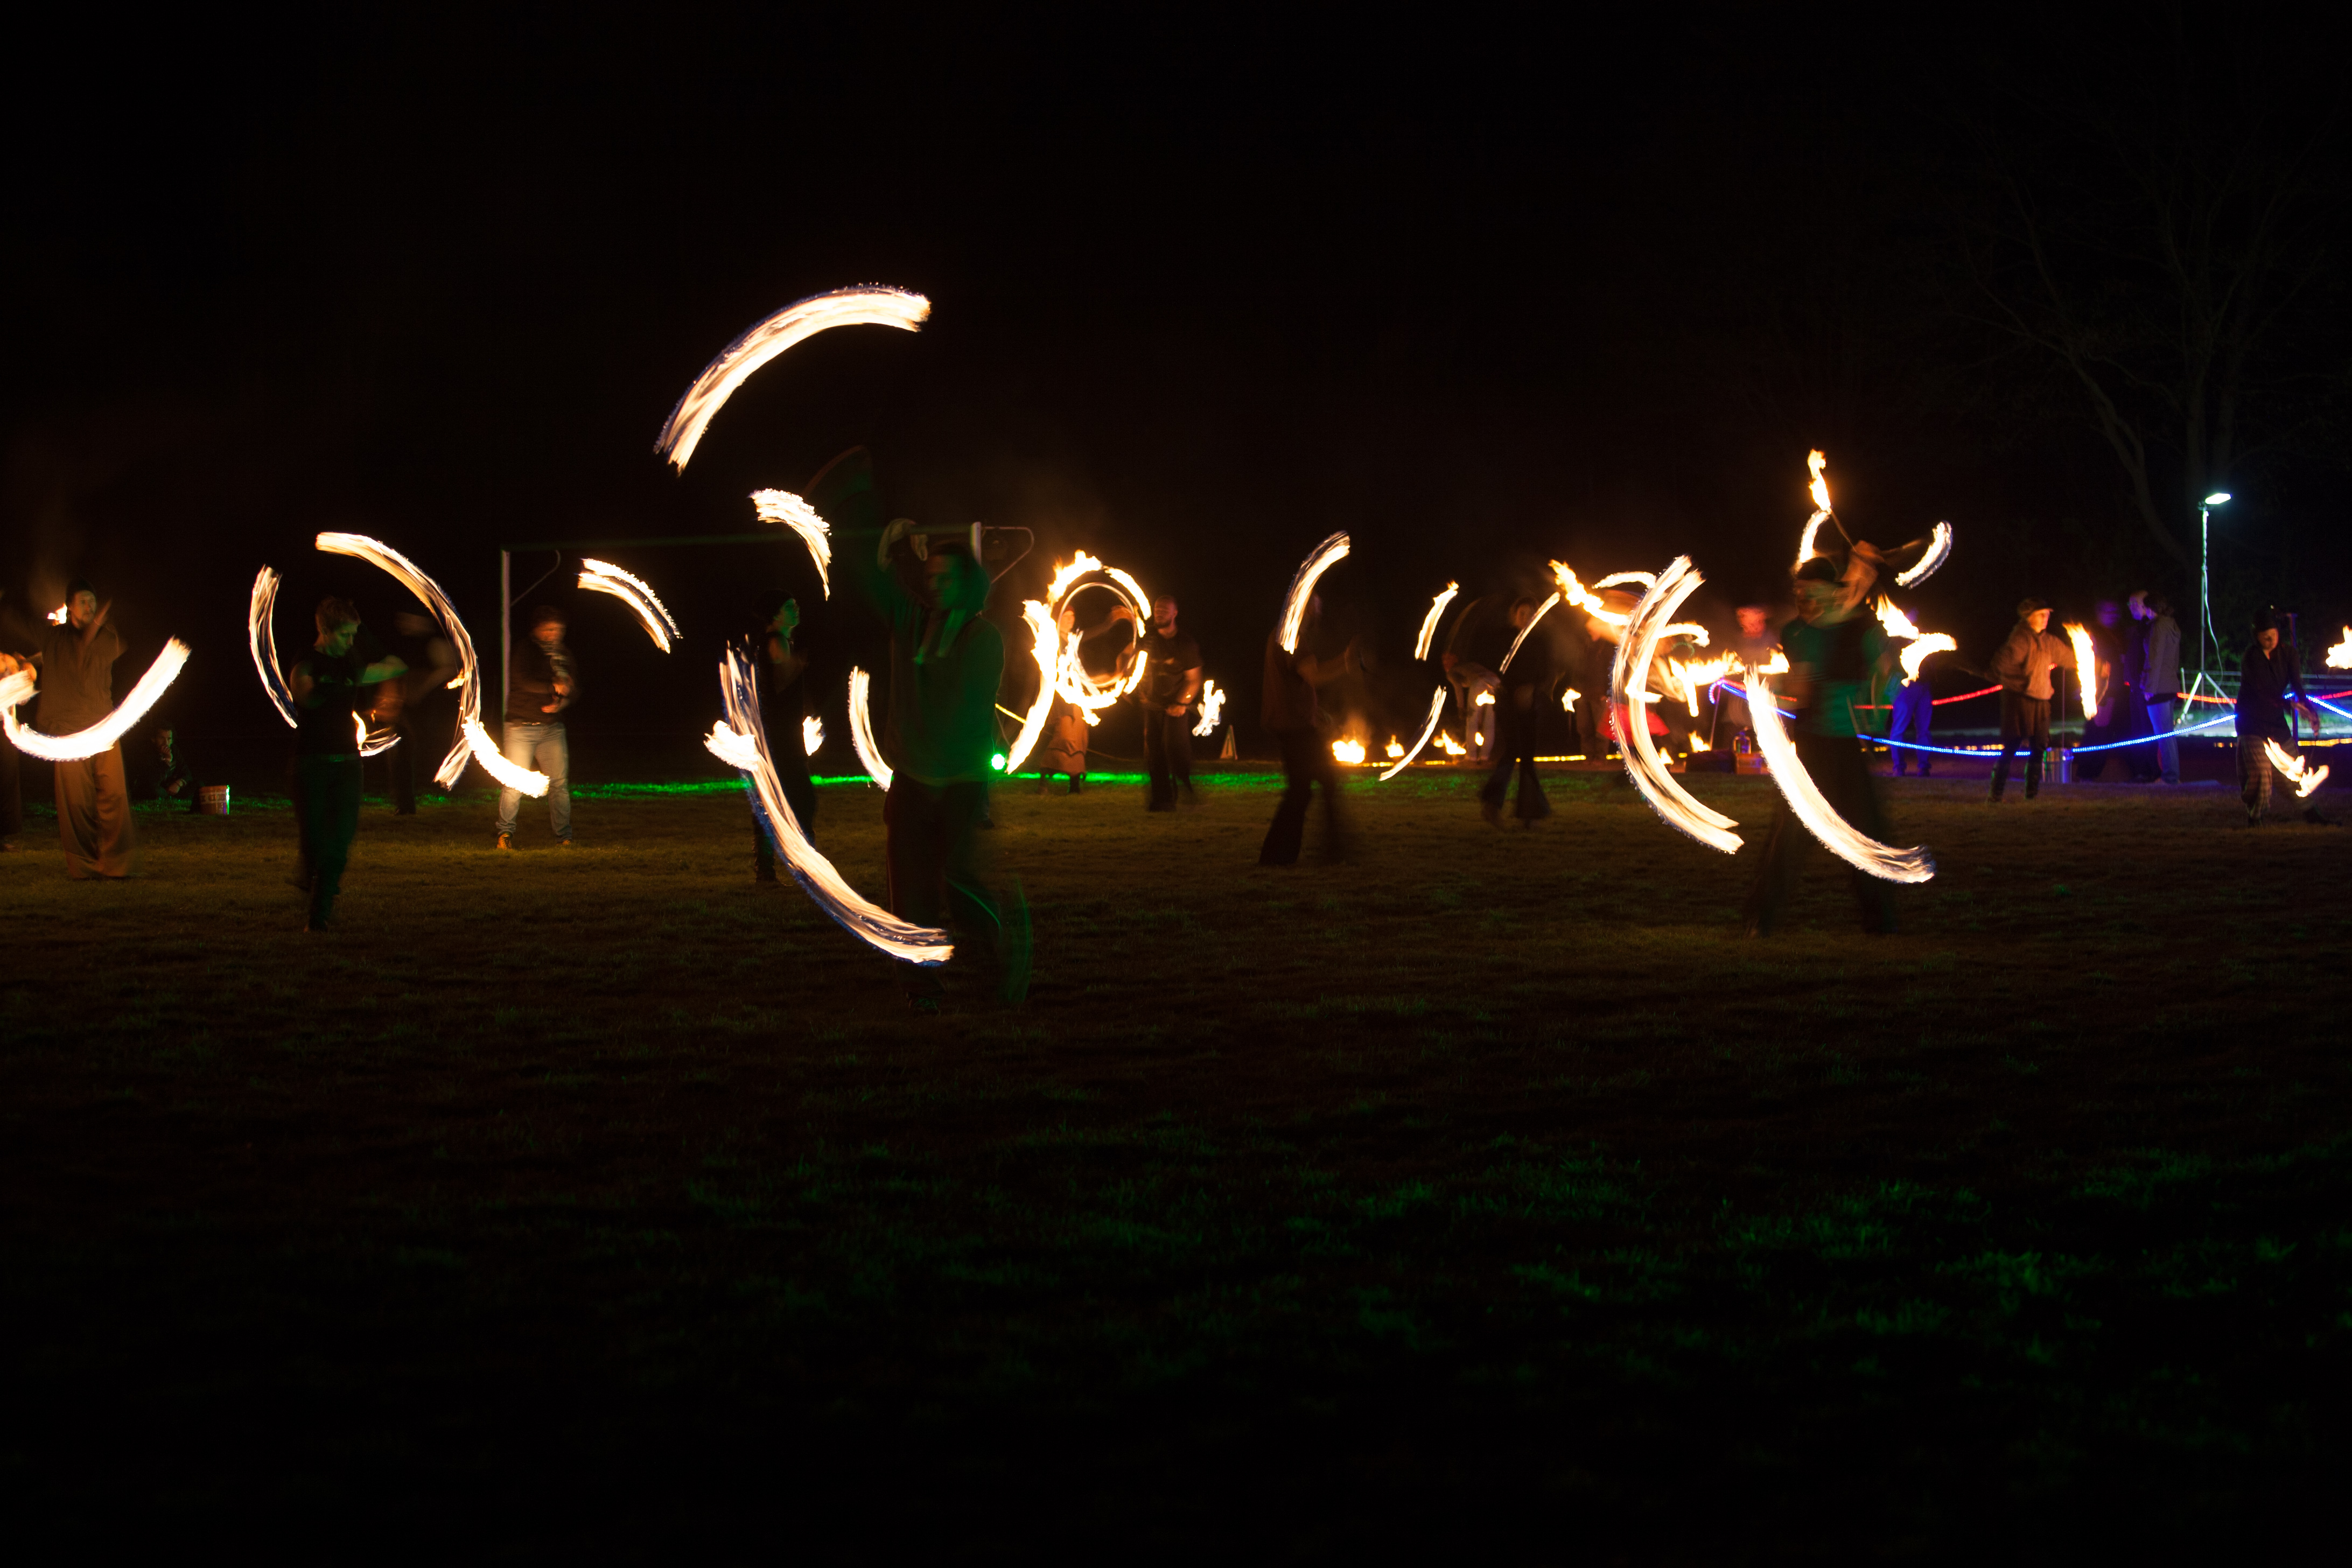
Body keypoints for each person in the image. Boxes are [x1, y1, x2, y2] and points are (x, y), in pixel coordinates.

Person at [857, 519, 1027, 1004]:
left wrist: (922, 665)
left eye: (945, 577)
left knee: (959, 882)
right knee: (911, 892)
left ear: (968, 584)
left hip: (959, 783)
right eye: (929, 576)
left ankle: (994, 967)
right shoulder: (912, 622)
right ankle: (920, 987)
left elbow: (958, 704)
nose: (935, 585)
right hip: (913, 782)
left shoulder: (983, 638)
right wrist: (893, 547)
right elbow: (875, 582)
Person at [1742, 557, 1899, 936]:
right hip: (1813, 747)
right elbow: (1802, 687)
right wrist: (1770, 689)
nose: (1803, 599)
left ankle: (1879, 920)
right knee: (1792, 835)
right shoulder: (1797, 632)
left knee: (1864, 833)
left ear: (1831, 592)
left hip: (1844, 747)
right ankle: (1762, 918)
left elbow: (1889, 670)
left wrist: (1877, 704)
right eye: (1799, 592)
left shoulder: (1862, 627)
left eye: (1811, 591)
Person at [291, 597, 407, 930]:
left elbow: (397, 665)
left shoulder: (351, 664)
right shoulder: (306, 663)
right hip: (311, 764)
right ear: (324, 631)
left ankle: (319, 915)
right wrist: (334, 682)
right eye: (345, 635)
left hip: (347, 766)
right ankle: (311, 878)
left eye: (355, 635)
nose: (350, 642)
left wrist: (364, 635)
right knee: (314, 841)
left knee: (338, 844)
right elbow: (306, 698)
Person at [32, 580, 135, 879]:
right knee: (76, 803)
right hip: (69, 732)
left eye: (92, 601)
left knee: (115, 795)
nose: (90, 607)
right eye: (83, 601)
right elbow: (43, 645)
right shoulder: (54, 638)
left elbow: (98, 646)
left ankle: (119, 864)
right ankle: (83, 866)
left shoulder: (106, 637)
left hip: (104, 728)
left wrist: (94, 628)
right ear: (69, 607)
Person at [1258, 593, 1357, 866]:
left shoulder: (1282, 635)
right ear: (1305, 608)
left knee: (1307, 788)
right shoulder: (1291, 638)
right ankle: (1318, 852)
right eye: (1316, 606)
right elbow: (1315, 675)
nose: (1320, 612)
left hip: (1294, 724)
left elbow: (1295, 682)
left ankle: (1285, 855)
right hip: (1295, 728)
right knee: (1312, 787)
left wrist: (1315, 710)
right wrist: (1346, 661)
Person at [2236, 611, 2337, 828]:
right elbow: (2261, 690)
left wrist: (2310, 711)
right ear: (2257, 636)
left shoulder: (2289, 654)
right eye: (2265, 635)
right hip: (2252, 721)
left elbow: (2298, 686)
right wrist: (2288, 705)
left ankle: (2311, 813)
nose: (2269, 638)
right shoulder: (2251, 657)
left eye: (2273, 634)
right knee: (2261, 772)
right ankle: (2255, 817)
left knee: (2295, 769)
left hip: (2275, 722)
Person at [495, 606, 576, 850]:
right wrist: (553, 686)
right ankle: (505, 834)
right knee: (514, 783)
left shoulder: (563, 654)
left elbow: (573, 688)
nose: (554, 634)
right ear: (537, 629)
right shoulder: (526, 650)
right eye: (549, 629)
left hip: (552, 729)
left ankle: (564, 838)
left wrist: (564, 701)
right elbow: (523, 681)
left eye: (558, 630)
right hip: (521, 727)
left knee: (559, 784)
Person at [754, 594, 818, 883]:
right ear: (776, 615)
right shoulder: (777, 642)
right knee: (801, 800)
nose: (797, 609)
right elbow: (782, 679)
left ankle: (769, 870)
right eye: (790, 607)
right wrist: (799, 662)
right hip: (780, 738)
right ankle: (803, 866)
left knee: (780, 801)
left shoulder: (780, 641)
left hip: (782, 735)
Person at [1989, 598, 2076, 803]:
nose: (2046, 618)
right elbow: (2002, 664)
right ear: (2029, 618)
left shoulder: (2048, 641)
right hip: (2019, 701)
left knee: (2039, 748)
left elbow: (2069, 658)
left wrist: (2097, 666)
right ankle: (1996, 795)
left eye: (2048, 614)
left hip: (2042, 702)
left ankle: (2031, 796)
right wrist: (2021, 682)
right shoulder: (2021, 639)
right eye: (2041, 614)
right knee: (2011, 746)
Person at [375, 611, 459, 815]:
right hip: (405, 707)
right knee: (400, 754)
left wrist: (421, 689)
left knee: (410, 752)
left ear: (422, 621)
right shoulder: (402, 644)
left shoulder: (433, 644)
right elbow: (393, 672)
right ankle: (404, 803)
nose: (403, 623)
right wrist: (388, 699)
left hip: (425, 708)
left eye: (409, 619)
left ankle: (410, 800)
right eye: (402, 619)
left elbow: (448, 670)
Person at [1480, 597, 1554, 827]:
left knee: (1528, 758)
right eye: (1522, 613)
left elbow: (1547, 672)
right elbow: (1494, 668)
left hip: (1530, 705)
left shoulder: (1540, 641)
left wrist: (1532, 689)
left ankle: (1528, 812)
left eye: (1530, 614)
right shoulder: (1505, 639)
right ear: (1514, 616)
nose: (1526, 618)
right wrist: (1500, 686)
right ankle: (1493, 805)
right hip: (1507, 704)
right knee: (1512, 750)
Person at [1130, 595, 1202, 811]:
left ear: (1175, 613)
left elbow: (1194, 679)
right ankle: (1162, 800)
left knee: (1175, 748)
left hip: (1175, 707)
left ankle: (1187, 790)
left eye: (1165, 610)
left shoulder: (1185, 643)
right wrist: (1123, 683)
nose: (1159, 612)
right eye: (1157, 609)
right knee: (1154, 753)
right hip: (1151, 705)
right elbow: (1128, 660)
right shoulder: (1146, 639)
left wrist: (1181, 703)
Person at [2130, 590, 2183, 784]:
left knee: (2163, 735)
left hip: (2158, 687)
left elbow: (2154, 658)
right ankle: (2172, 775)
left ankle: (2170, 777)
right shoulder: (2171, 625)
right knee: (2168, 734)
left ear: (2151, 609)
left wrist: (2149, 687)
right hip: (2169, 684)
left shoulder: (2158, 626)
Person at [131, 725, 198, 806]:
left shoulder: (174, 750)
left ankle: (175, 799)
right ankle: (166, 799)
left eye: (169, 739)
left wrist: (178, 784)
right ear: (154, 739)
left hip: (170, 787)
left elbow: (186, 773)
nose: (166, 743)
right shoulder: (146, 753)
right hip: (155, 788)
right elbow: (152, 781)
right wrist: (167, 761)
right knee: (154, 790)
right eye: (162, 738)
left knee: (198, 784)